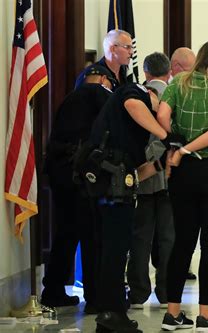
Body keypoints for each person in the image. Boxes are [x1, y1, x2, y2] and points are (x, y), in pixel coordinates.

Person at [157, 41, 208, 331]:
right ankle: (205, 315)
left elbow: (162, 117)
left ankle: (173, 313)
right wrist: (186, 150)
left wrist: (178, 144)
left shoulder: (179, 83)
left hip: (184, 175)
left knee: (183, 243)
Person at [87, 83, 176, 332]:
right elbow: (132, 104)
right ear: (155, 96)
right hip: (109, 182)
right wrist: (165, 135)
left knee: (117, 248)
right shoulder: (136, 92)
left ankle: (111, 313)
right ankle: (111, 314)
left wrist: (163, 163)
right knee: (114, 250)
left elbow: (138, 172)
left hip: (118, 184)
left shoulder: (136, 124)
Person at [41, 65, 114, 313]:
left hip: (59, 173)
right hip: (83, 175)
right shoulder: (100, 94)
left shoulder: (69, 99)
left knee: (65, 233)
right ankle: (95, 298)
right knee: (93, 235)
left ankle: (52, 290)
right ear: (104, 79)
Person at [127, 52, 174, 310]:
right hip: (168, 174)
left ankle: (138, 292)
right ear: (169, 73)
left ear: (145, 73)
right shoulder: (176, 95)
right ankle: (166, 292)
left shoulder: (135, 95)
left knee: (140, 237)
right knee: (168, 237)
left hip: (143, 174)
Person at [169, 46, 198, 281]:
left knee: (183, 227)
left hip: (187, 168)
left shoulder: (193, 90)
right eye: (189, 69)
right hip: (163, 168)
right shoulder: (171, 90)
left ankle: (181, 268)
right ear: (176, 68)